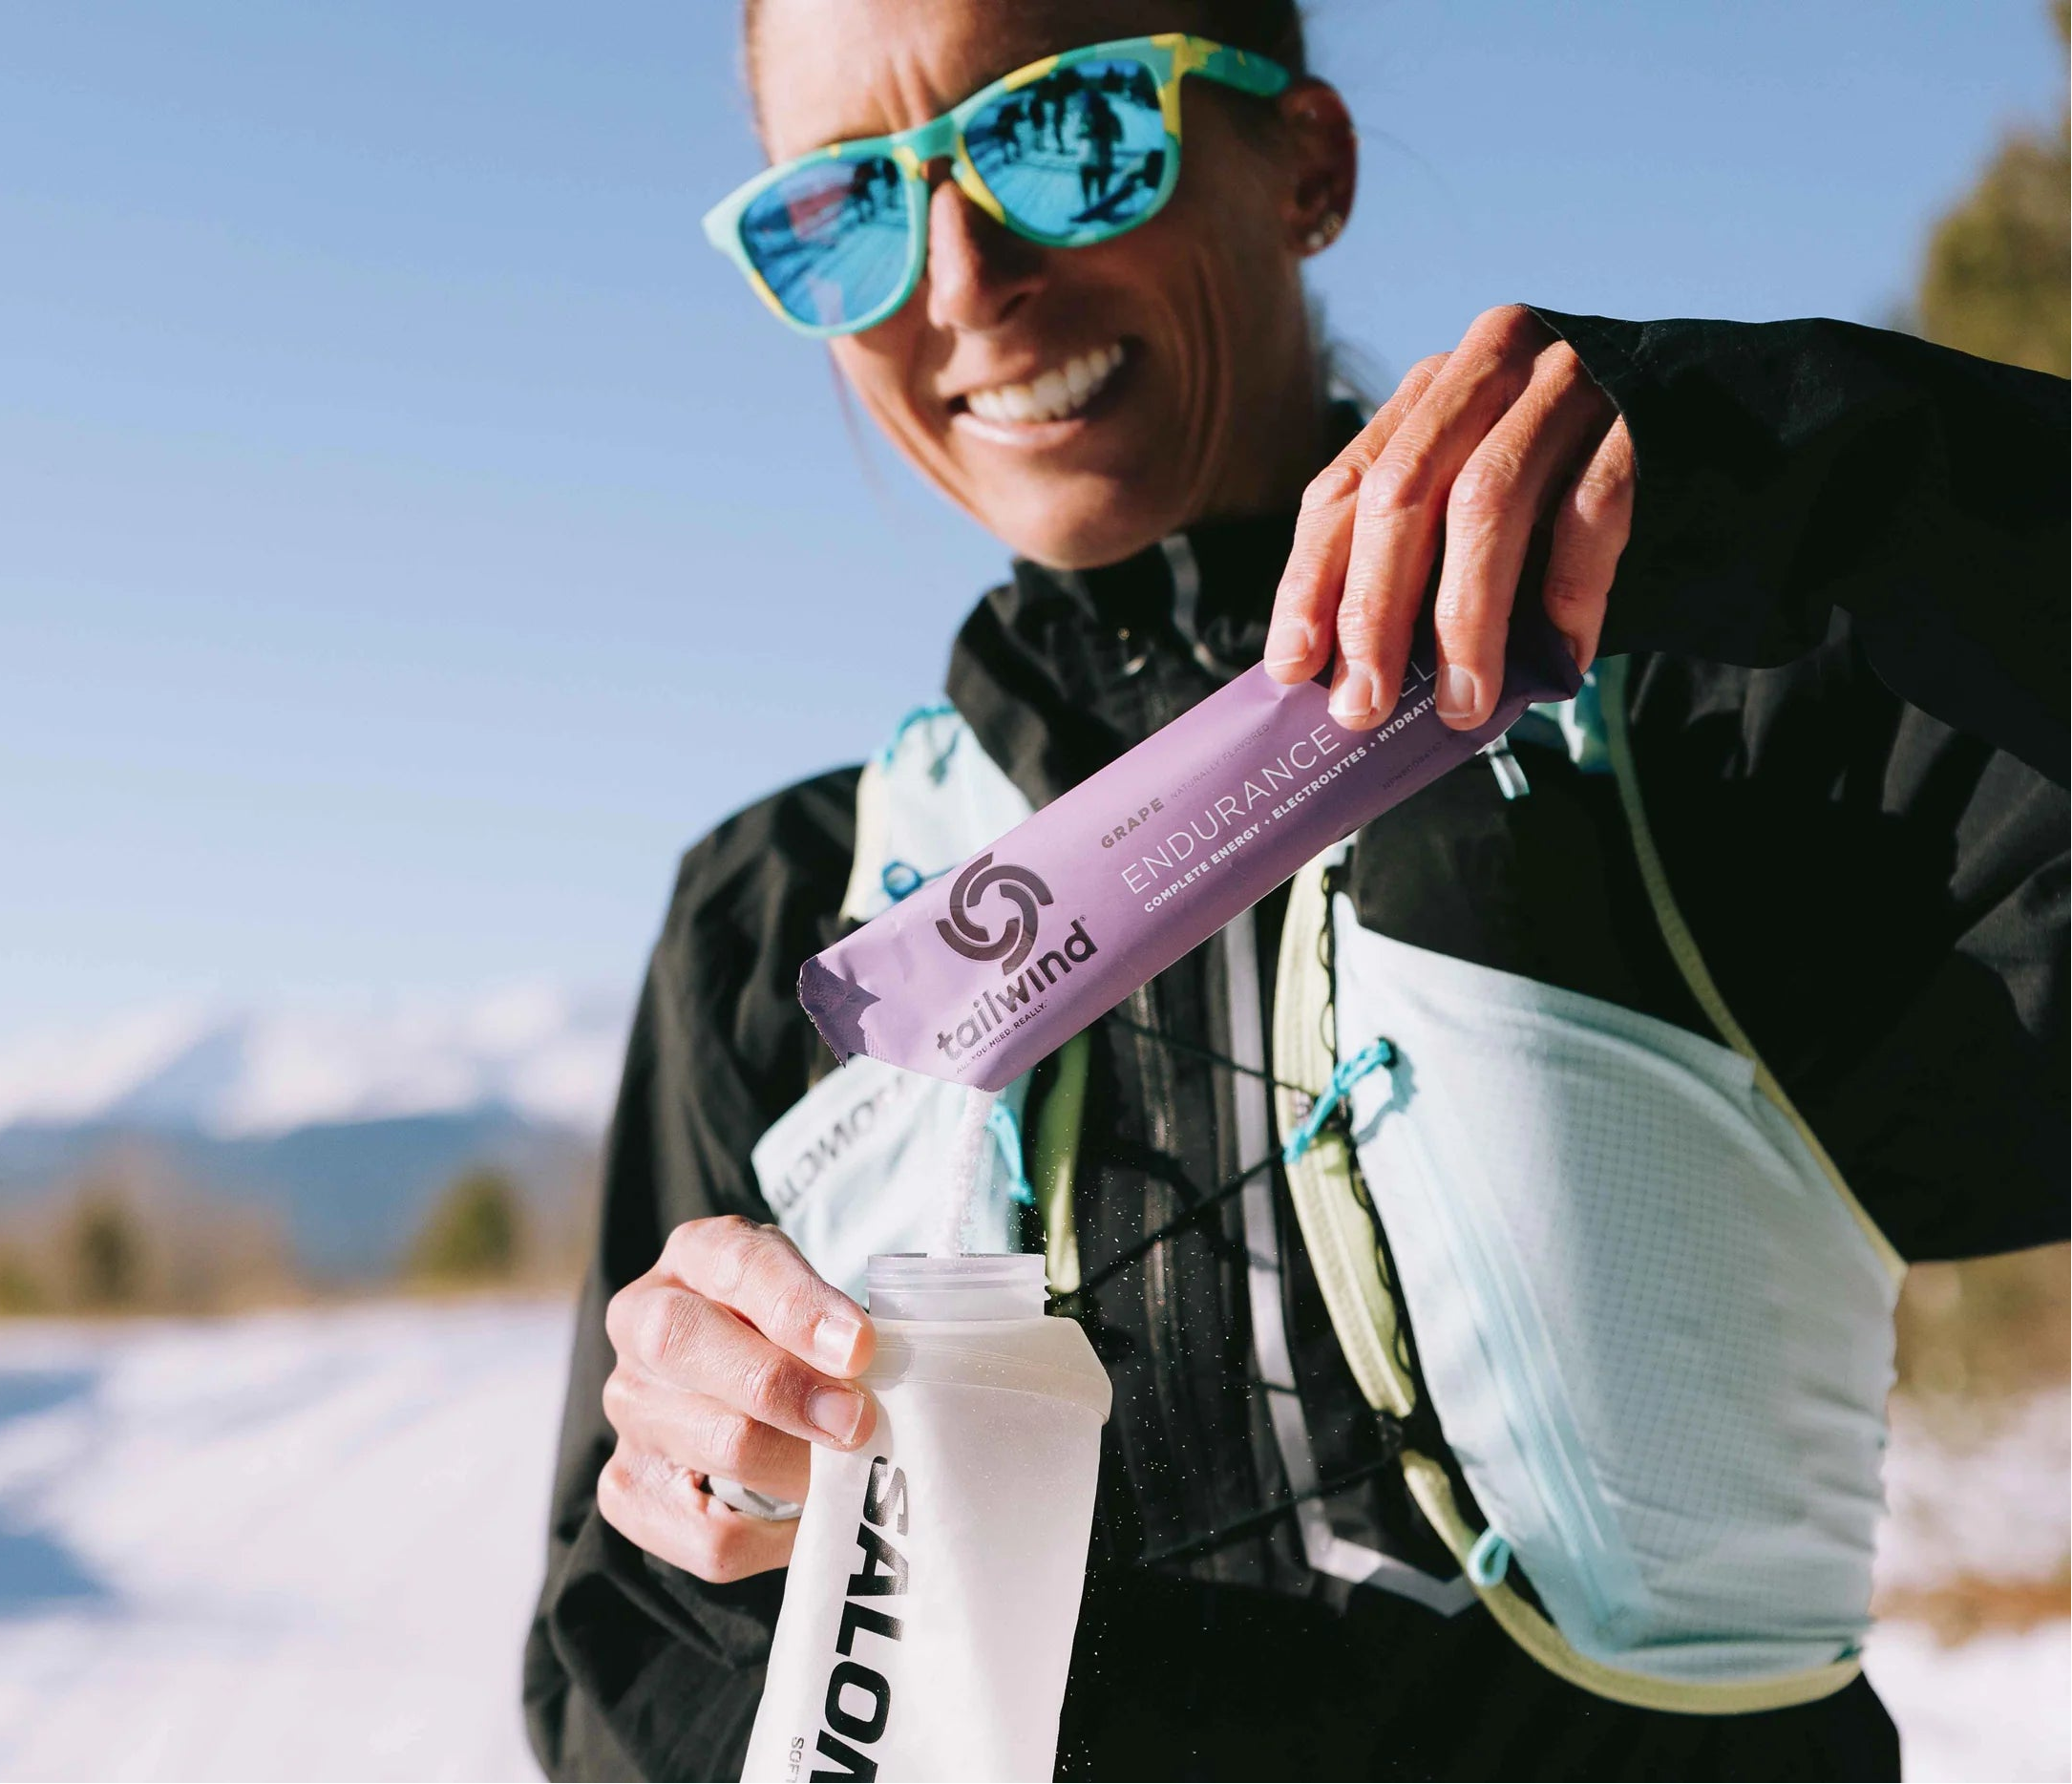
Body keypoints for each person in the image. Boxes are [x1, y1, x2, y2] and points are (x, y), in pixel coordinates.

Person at [525, 3, 2069, 1779]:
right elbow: (606, 1691)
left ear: (1307, 169)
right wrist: (720, 1541)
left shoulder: (1715, 736)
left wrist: (1789, 480)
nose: (959, 281)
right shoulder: (782, 919)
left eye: (1065, 133)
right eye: (840, 210)